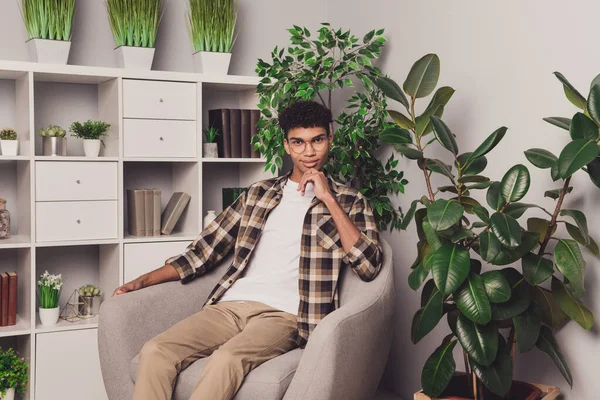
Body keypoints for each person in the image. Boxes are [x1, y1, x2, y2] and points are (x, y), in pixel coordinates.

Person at [112, 100, 383, 400]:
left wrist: (328, 199)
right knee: (155, 351)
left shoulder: (350, 201)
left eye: (317, 140)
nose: (308, 152)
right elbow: (204, 250)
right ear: (286, 145)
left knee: (225, 361)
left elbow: (368, 265)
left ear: (330, 139)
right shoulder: (259, 193)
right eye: (299, 142)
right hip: (229, 306)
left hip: (283, 316)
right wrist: (143, 280)